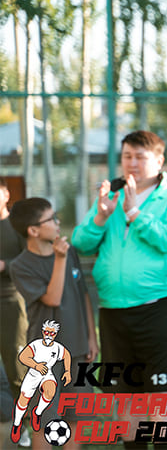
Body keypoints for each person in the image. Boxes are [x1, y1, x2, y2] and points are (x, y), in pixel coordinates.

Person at [71, 130, 167, 444]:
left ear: (159, 161)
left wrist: (135, 213)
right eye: (127, 156)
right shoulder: (111, 195)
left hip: (158, 307)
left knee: (161, 397)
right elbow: (80, 243)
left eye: (140, 156)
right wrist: (101, 217)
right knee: (125, 399)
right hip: (113, 311)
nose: (132, 163)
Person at [8, 197, 97, 449]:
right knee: (44, 421)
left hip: (77, 351)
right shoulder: (21, 266)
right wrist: (60, 259)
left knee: (75, 419)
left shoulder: (71, 253)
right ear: (33, 230)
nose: (58, 223)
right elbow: (53, 298)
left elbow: (83, 294)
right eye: (51, 219)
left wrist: (91, 337)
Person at [0, 177, 28, 443]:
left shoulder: (17, 226)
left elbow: (29, 261)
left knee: (16, 368)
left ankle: (24, 426)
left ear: (6, 194)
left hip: (11, 303)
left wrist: (5, 266)